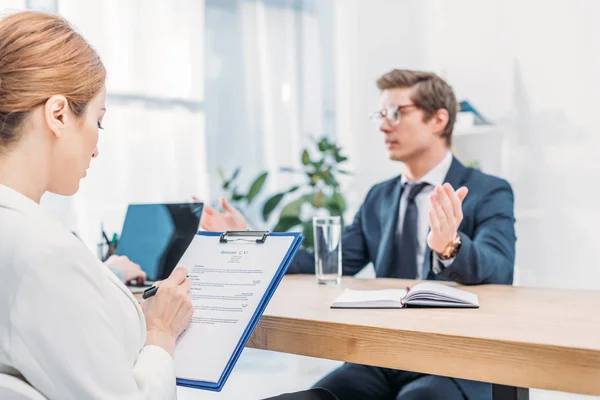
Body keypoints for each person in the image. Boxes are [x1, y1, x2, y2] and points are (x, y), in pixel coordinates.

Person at [0, 11, 335, 400]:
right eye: (99, 121)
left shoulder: (27, 239)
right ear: (58, 114)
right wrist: (161, 330)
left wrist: (103, 278)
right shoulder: (46, 255)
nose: (97, 146)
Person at [201, 69, 517, 400]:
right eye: (381, 114)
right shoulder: (379, 198)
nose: (384, 125)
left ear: (438, 120)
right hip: (384, 356)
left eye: (397, 113)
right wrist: (250, 240)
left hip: (457, 360)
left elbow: (499, 269)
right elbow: (330, 261)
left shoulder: (489, 190)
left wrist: (449, 246)